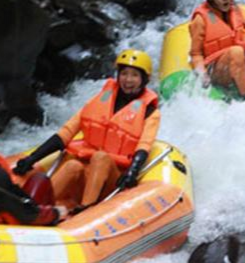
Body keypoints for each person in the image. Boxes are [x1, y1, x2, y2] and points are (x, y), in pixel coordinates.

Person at [13, 49, 159, 211]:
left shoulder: (150, 113)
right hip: (86, 174)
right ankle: (34, 209)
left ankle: (87, 208)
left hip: (113, 181)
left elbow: (144, 146)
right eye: (124, 74)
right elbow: (65, 134)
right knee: (72, 166)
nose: (128, 80)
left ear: (144, 79)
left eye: (134, 75)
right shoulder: (100, 100)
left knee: (101, 157)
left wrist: (132, 172)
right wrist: (32, 159)